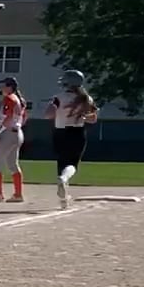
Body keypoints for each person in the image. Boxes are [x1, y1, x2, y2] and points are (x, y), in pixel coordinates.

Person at [46, 68, 99, 210]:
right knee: (72, 165)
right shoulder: (86, 98)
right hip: (76, 132)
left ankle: (63, 199)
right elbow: (93, 119)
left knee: (61, 163)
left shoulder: (58, 97)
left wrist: (60, 112)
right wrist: (82, 117)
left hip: (59, 132)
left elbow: (48, 114)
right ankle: (64, 181)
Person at [0, 75, 28, 204]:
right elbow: (24, 118)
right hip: (17, 133)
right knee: (12, 164)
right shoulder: (20, 100)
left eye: (4, 85)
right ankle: (18, 194)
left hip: (8, 133)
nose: (1, 88)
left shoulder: (9, 98)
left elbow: (8, 117)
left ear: (10, 87)